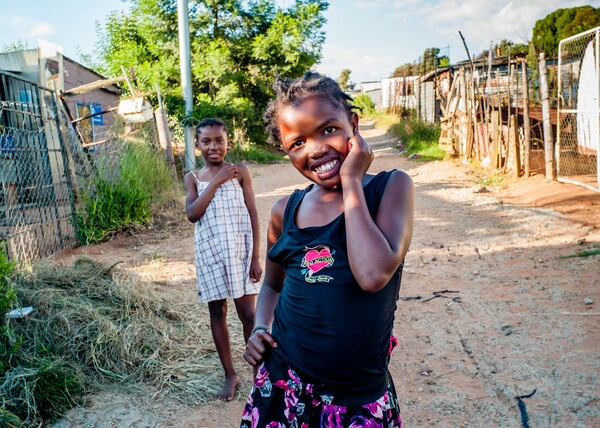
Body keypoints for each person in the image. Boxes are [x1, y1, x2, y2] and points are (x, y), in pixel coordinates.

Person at [241, 72, 414, 427]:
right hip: (283, 385)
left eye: (328, 130)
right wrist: (260, 327)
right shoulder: (284, 211)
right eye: (297, 143)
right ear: (286, 151)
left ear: (353, 123)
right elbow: (273, 285)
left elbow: (372, 275)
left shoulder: (390, 188)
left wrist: (352, 180)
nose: (316, 149)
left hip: (358, 398)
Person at [184, 118, 262, 402]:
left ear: (229, 143)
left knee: (250, 316)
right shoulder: (193, 177)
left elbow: (253, 213)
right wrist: (215, 181)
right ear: (197, 145)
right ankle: (231, 374)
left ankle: (259, 373)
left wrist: (255, 257)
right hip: (211, 256)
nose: (213, 147)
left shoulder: (240, 172)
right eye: (207, 141)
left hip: (240, 254)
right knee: (217, 313)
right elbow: (193, 214)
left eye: (219, 141)